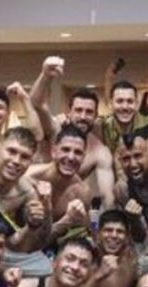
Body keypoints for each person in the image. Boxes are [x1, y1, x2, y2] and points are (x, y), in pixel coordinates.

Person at [31, 58, 116, 207]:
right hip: (33, 197)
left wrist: (108, 225)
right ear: (69, 111)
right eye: (78, 110)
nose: (83, 116)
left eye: (89, 112)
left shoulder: (100, 151)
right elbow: (36, 104)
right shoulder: (55, 128)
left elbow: (107, 195)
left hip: (64, 206)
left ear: (96, 116)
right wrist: (46, 76)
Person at [0, 127, 55, 276]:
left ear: (31, 161)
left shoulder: (27, 192)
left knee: (46, 268)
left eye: (24, 157)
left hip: (0, 247)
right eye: (11, 151)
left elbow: (35, 244)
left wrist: (46, 210)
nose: (16, 161)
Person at [25, 126, 93, 245]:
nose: (71, 157)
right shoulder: (29, 178)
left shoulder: (82, 192)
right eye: (65, 150)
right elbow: (28, 243)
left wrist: (69, 221)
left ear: (83, 157)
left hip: (51, 249)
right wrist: (66, 221)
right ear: (54, 152)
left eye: (78, 152)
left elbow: (85, 236)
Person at [97, 80, 148, 153]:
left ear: (136, 104)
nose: (125, 107)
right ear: (111, 104)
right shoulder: (102, 125)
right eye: (119, 101)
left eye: (130, 101)